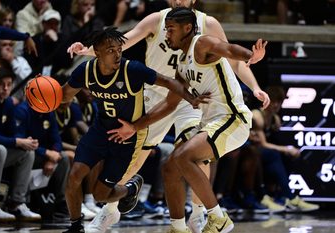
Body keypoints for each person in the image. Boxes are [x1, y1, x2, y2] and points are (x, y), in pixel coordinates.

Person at [67, 0, 270, 232]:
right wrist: (88, 49)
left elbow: (233, 57)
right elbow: (124, 40)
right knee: (136, 156)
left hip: (192, 98)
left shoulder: (207, 25)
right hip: (158, 96)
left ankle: (199, 213)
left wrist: (254, 86)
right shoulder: (157, 20)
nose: (178, 0)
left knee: (192, 154)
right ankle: (111, 210)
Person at [61, 27, 205, 233]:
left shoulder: (132, 70)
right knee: (74, 176)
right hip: (100, 131)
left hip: (126, 137)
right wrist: (41, 93)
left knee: (100, 195)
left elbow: (169, 81)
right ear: (98, 52)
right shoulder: (85, 71)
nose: (117, 53)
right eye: (111, 50)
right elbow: (63, 95)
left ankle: (130, 187)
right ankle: (75, 227)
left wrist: (191, 98)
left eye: (119, 48)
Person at [251, 85, 320, 212]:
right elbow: (263, 144)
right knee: (275, 154)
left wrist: (288, 151)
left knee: (289, 156)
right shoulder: (257, 115)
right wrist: (285, 148)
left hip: (263, 153)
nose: (276, 105)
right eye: (274, 101)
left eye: (279, 102)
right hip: (249, 151)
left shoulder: (275, 119)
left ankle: (281, 197)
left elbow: (274, 141)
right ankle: (290, 197)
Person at [0, 67, 41, 221]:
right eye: (1, 84)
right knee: (0, 149)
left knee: (27, 152)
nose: (5, 88)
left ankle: (16, 203)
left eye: (9, 84)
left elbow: (13, 131)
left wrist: (25, 141)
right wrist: (17, 141)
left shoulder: (8, 103)